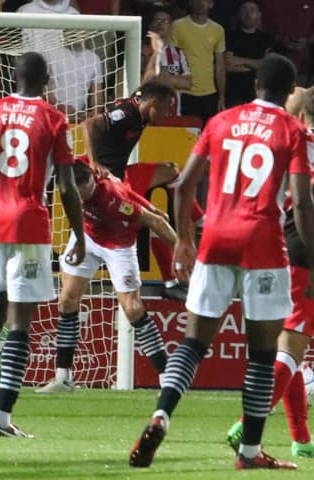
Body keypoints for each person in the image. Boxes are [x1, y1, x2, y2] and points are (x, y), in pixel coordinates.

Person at [129, 53, 314, 470]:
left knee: (193, 343)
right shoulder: (292, 129)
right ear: (288, 93)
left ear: (254, 88)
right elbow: (301, 202)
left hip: (215, 236)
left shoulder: (221, 121)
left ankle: (161, 413)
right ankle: (249, 451)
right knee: (264, 353)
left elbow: (183, 187)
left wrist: (183, 243)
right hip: (263, 243)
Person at [0, 52, 86, 437]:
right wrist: (80, 234)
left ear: (15, 77)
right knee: (20, 324)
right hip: (28, 223)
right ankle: (3, 419)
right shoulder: (54, 119)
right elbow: (66, 186)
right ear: (46, 79)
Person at [225, 86, 314, 459]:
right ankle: (248, 424)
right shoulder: (302, 141)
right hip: (303, 246)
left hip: (269, 245)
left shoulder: (282, 138)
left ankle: (301, 439)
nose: (291, 92)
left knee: (288, 341)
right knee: (294, 342)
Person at [36, 158, 177, 393]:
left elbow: (156, 222)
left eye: (88, 190)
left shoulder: (114, 200)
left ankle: (167, 376)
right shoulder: (77, 168)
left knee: (132, 309)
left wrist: (184, 252)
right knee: (67, 300)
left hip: (118, 246)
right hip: (87, 238)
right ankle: (63, 378)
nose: (83, 196)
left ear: (92, 181)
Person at [82, 80, 204, 301]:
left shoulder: (140, 105)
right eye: (167, 107)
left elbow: (149, 83)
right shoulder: (127, 114)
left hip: (121, 177)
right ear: (154, 103)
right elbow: (89, 124)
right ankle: (186, 275)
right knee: (158, 219)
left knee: (170, 172)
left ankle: (197, 228)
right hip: (109, 184)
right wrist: (93, 162)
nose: (168, 114)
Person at [170, 0, 226, 125]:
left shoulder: (218, 30)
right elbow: (171, 60)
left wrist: (221, 96)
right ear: (190, 2)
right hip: (184, 92)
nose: (201, 3)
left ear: (211, 4)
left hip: (210, 93)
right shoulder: (177, 26)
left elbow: (220, 65)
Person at [142, 8, 192, 116]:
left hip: (173, 114)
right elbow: (145, 81)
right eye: (158, 20)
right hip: (145, 114)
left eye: (166, 21)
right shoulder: (141, 51)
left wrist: (161, 77)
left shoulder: (178, 53)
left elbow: (187, 83)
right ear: (150, 25)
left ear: (171, 28)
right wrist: (174, 80)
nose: (161, 24)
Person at [225, 0, 274, 107]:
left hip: (259, 96)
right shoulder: (229, 36)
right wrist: (256, 64)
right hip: (233, 96)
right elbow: (228, 65)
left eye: (252, 10)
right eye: (244, 10)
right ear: (239, 13)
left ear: (259, 14)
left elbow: (268, 66)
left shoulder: (267, 39)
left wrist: (240, 60)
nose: (248, 14)